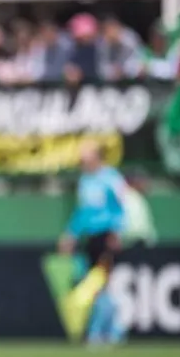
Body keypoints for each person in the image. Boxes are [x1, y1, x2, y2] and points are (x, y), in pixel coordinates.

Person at [58, 142, 127, 346]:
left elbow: (121, 207)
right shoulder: (85, 182)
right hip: (90, 238)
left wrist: (116, 231)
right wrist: (71, 235)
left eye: (86, 158)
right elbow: (82, 213)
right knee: (96, 286)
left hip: (105, 236)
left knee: (102, 282)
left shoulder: (111, 179)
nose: (83, 163)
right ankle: (110, 330)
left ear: (97, 157)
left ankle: (105, 331)